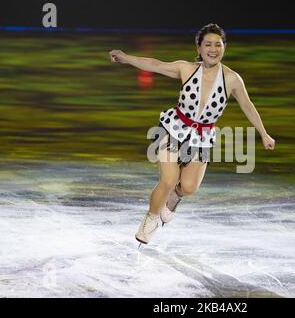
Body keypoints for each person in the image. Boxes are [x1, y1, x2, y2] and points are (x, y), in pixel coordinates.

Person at [109, 23, 276, 246]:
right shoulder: (186, 68)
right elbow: (155, 64)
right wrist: (126, 57)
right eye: (208, 44)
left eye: (218, 44)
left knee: (188, 187)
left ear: (224, 48)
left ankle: (175, 198)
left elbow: (247, 105)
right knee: (168, 179)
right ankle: (151, 219)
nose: (213, 49)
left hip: (202, 138)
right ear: (198, 47)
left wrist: (264, 134)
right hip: (174, 128)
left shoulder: (232, 79)